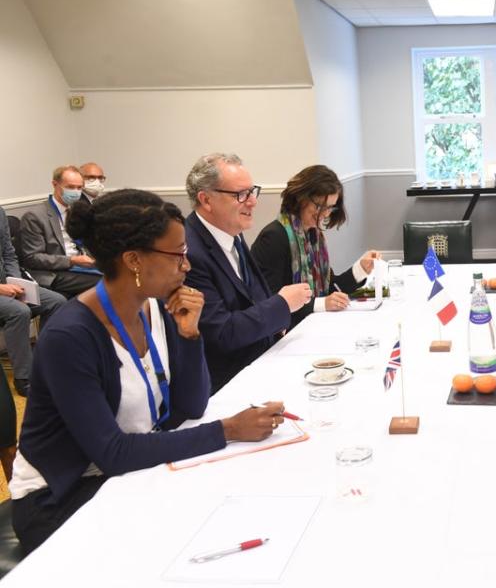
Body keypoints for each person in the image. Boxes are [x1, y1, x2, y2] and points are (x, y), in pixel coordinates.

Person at [9, 189, 287, 553]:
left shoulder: (157, 307)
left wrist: (190, 335)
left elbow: (191, 405)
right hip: (62, 497)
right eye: (178, 256)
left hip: (127, 474)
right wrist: (229, 429)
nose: (186, 266)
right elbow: (113, 451)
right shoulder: (70, 335)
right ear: (134, 260)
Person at [183, 153, 312, 392]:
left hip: (261, 361)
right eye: (241, 195)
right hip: (227, 384)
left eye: (252, 191)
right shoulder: (189, 253)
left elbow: (255, 297)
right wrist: (282, 305)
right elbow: (220, 333)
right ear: (206, 200)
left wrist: (275, 325)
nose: (252, 201)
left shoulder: (232, 232)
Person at [251, 165, 381, 329]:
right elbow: (272, 303)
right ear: (300, 198)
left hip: (311, 325)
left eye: (330, 207)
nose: (326, 214)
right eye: (320, 206)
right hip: (285, 334)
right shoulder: (274, 237)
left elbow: (331, 288)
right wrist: (321, 304)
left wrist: (360, 269)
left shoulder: (313, 236)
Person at [0, 206, 66, 397]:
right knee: (18, 311)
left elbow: (8, 254)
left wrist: (15, 282)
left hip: (7, 285)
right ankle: (24, 378)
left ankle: (44, 364)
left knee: (56, 301)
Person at [19, 165, 101, 298]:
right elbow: (32, 258)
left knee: (118, 273)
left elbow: (87, 242)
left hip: (81, 265)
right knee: (107, 282)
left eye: (79, 188)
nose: (75, 192)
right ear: (55, 184)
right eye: (70, 187)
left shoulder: (78, 211)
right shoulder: (35, 216)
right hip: (53, 272)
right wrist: (72, 260)